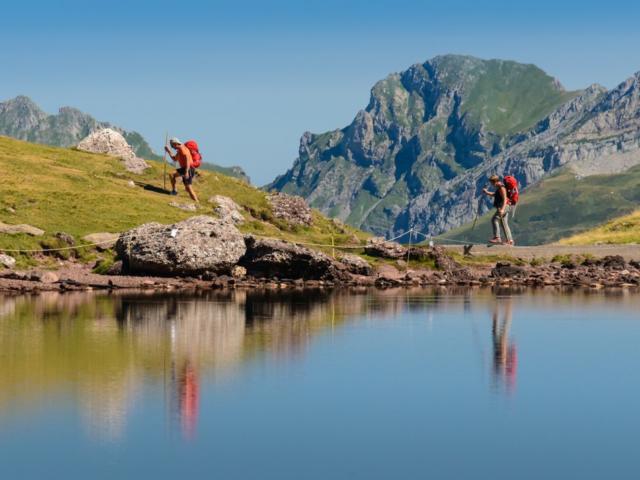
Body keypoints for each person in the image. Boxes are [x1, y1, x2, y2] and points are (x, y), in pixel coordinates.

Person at [164, 137, 199, 202]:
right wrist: (168, 151)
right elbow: (174, 159)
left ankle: (197, 202)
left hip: (188, 168)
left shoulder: (182, 149)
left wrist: (186, 172)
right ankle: (174, 191)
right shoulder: (179, 149)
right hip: (184, 168)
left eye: (172, 145)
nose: (172, 147)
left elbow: (187, 159)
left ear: (175, 143)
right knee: (172, 174)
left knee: (188, 188)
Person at [482, 175, 513, 245]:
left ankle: (497, 237)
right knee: (504, 223)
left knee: (494, 219)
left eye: (491, 183)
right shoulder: (499, 187)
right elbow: (495, 194)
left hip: (504, 206)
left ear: (494, 182)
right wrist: (487, 192)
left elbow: (505, 199)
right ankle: (510, 240)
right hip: (505, 206)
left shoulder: (501, 187)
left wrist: (502, 209)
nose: (491, 185)